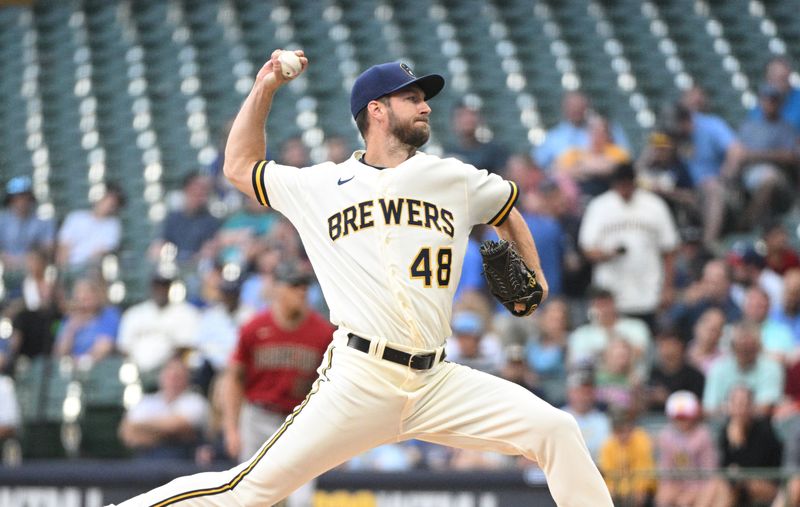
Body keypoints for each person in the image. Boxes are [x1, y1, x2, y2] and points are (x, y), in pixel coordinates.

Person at [113, 50, 614, 506]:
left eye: (424, 98)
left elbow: (506, 205)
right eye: (412, 98)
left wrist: (538, 275)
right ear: (377, 110)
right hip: (360, 379)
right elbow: (239, 165)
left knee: (555, 429)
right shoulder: (319, 184)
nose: (426, 107)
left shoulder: (454, 178)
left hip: (438, 379)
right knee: (246, 490)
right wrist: (265, 86)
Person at [579, 162, 679, 329]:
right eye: (620, 184)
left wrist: (667, 288)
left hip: (648, 291)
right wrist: (608, 254)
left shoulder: (654, 205)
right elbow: (587, 249)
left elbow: (669, 249)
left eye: (627, 183)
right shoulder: (599, 206)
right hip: (610, 293)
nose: (624, 188)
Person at [734, 83, 799, 229]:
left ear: (780, 103)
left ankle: (748, 224)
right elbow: (739, 153)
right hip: (749, 173)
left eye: (774, 100)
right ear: (761, 101)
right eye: (767, 99)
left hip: (780, 176)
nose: (770, 103)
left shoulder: (786, 128)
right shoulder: (749, 126)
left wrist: (757, 154)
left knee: (768, 178)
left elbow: (790, 156)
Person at [119, 355, 209, 460]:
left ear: (187, 379)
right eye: (169, 375)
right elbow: (127, 433)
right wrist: (167, 434)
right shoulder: (146, 401)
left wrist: (141, 427)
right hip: (145, 463)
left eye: (177, 376)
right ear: (161, 377)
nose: (172, 380)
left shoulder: (195, 401)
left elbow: (177, 427)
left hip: (182, 462)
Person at [711, 385, 782, 507]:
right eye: (736, 404)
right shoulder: (725, 430)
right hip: (735, 484)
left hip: (768, 483)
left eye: (744, 404)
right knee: (718, 486)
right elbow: (724, 465)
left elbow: (754, 467)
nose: (740, 409)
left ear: (752, 407)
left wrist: (738, 445)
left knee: (737, 485)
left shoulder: (764, 429)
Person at [117, 273, 200, 377]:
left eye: (164, 286)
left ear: (170, 287)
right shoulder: (134, 313)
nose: (160, 290)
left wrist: (164, 367)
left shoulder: (187, 313)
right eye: (157, 286)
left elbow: (187, 346)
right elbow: (124, 348)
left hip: (172, 373)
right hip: (137, 373)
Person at [702, 323, 784, 417]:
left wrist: (730, 408)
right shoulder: (718, 368)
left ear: (758, 347)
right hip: (723, 424)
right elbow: (708, 409)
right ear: (732, 347)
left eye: (749, 347)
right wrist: (742, 409)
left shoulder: (771, 367)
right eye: (740, 346)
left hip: (760, 425)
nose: (744, 351)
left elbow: (766, 407)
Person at [534, 91, 629, 170]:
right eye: (572, 107)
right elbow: (540, 165)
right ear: (564, 108)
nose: (576, 110)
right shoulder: (553, 137)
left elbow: (623, 160)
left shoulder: (606, 128)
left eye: (580, 106)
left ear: (587, 107)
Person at [654, 391, 717, 507]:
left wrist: (693, 492)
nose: (682, 422)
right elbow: (666, 471)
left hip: (700, 485)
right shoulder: (665, 436)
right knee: (663, 498)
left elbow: (708, 472)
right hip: (676, 483)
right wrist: (671, 489)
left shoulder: (703, 435)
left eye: (685, 417)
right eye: (678, 418)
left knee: (686, 502)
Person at [554, 114, 630, 200]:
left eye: (601, 132)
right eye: (593, 131)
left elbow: (615, 170)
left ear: (608, 134)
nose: (596, 136)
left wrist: (581, 166)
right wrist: (597, 166)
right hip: (582, 198)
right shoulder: (574, 152)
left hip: (611, 196)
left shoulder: (618, 151)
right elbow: (559, 172)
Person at [151, 173, 221, 265]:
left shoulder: (211, 222)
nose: (198, 196)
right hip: (174, 265)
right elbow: (160, 244)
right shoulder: (173, 218)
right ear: (186, 190)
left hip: (198, 268)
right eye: (195, 191)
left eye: (202, 192)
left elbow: (209, 250)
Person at [0, 176, 55, 293]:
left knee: (35, 264)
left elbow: (48, 248)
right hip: (6, 266)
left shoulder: (42, 221)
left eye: (24, 197)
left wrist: (31, 258)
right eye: (16, 198)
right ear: (10, 200)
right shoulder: (2, 220)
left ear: (31, 198)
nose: (21, 202)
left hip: (34, 268)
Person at [56, 184, 124, 271]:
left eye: (112, 204)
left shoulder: (114, 225)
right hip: (70, 267)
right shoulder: (75, 217)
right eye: (106, 200)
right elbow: (64, 246)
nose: (107, 205)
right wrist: (64, 269)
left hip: (92, 270)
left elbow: (102, 252)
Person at [598, 406, 656, 507]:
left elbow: (644, 472)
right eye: (618, 430)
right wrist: (613, 489)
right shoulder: (608, 444)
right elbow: (608, 472)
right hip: (618, 487)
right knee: (606, 496)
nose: (623, 434)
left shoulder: (641, 439)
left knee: (638, 496)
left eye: (625, 428)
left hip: (641, 488)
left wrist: (633, 489)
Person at [53, 278, 120, 363]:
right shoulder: (70, 318)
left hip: (99, 367)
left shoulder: (109, 314)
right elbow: (59, 353)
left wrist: (80, 362)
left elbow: (104, 347)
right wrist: (71, 330)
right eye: (81, 293)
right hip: (71, 368)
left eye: (89, 292)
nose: (85, 297)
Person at [646, 328, 705, 413]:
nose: (665, 350)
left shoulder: (694, 376)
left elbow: (697, 406)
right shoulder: (654, 373)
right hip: (653, 420)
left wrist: (667, 398)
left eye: (669, 345)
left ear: (681, 346)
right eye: (662, 345)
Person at [561, 367, 611, 461]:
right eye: (578, 391)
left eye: (587, 392)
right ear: (569, 393)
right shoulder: (558, 418)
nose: (583, 397)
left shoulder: (603, 421)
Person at [444, 102, 508, 174]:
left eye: (472, 115)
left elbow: (502, 180)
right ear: (453, 122)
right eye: (461, 115)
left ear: (481, 119)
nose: (467, 119)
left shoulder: (494, 150)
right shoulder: (448, 152)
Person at [444, 310, 505, 376]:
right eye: (462, 338)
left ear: (478, 339)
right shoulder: (448, 359)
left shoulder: (492, 360)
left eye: (469, 338)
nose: (465, 343)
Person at [749, 56, 800, 132]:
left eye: (782, 79)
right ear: (767, 79)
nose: (778, 84)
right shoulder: (761, 105)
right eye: (774, 78)